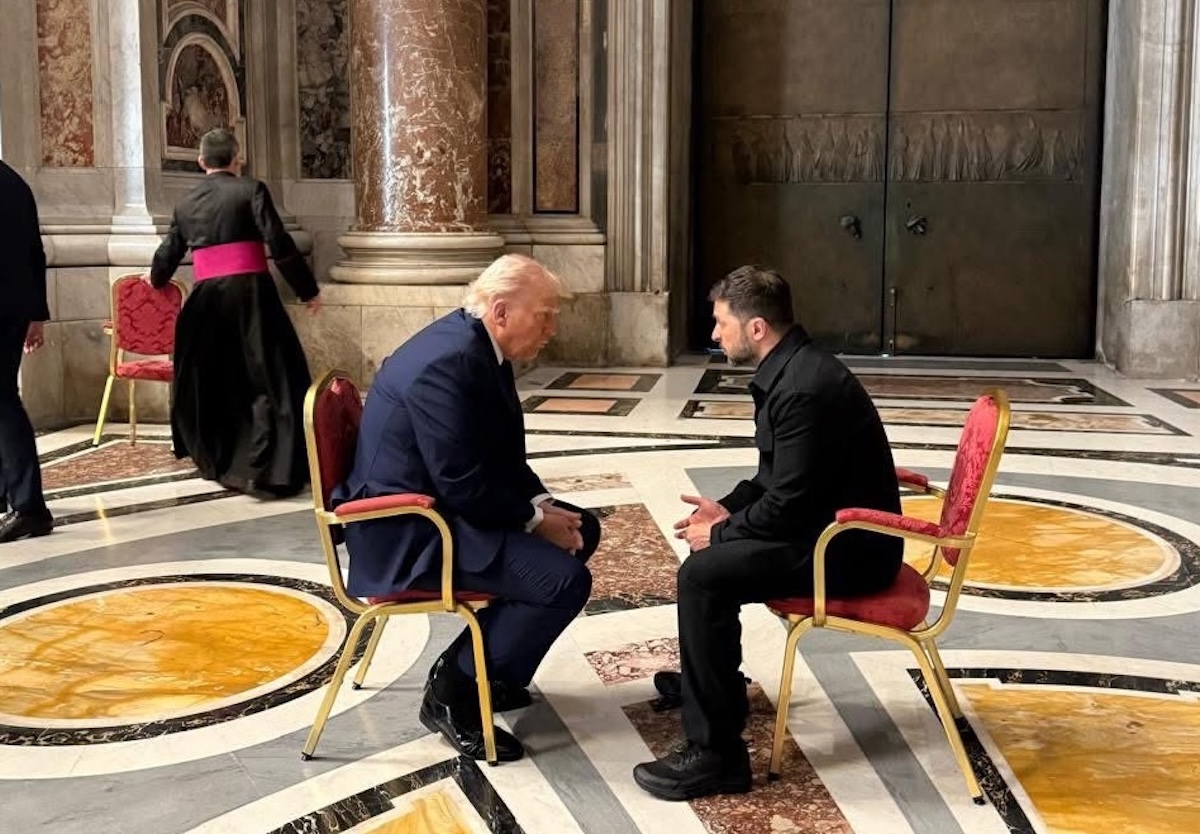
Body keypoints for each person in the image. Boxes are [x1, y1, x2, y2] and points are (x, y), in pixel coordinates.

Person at [633, 265, 903, 801]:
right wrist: (724, 510)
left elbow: (789, 504)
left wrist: (725, 533)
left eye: (720, 323)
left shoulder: (803, 388)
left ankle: (717, 756)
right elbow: (773, 480)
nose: (714, 335)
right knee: (709, 567)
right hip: (826, 530)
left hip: (849, 550)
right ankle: (716, 692)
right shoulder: (794, 371)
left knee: (705, 575)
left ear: (756, 327)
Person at [335, 253, 601, 762]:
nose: (552, 326)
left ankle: (493, 669)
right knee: (562, 582)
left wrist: (543, 505)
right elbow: (461, 481)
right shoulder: (449, 362)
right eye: (543, 313)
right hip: (408, 530)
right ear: (500, 311)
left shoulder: (478, 346)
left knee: (583, 530)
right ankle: (452, 689)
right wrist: (535, 521)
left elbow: (496, 456)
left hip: (443, 506)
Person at [150, 128, 321, 498]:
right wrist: (307, 289)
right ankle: (270, 467)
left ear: (201, 162)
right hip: (253, 296)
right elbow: (278, 242)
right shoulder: (251, 190)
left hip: (206, 300)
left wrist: (156, 280)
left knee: (218, 380)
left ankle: (222, 459)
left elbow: (167, 253)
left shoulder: (184, 203)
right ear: (236, 158)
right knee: (271, 378)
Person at [0, 160, 54, 544]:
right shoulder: (14, 181)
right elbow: (36, 253)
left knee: (2, 401)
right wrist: (36, 314)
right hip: (15, 308)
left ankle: (30, 506)